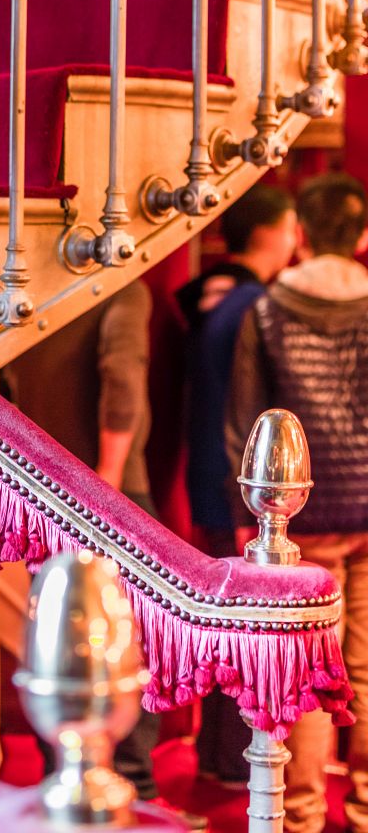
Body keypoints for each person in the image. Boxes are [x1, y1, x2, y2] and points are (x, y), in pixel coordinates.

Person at [6, 281, 208, 830]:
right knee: (128, 645)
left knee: (57, 638)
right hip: (113, 489)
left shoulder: (27, 289)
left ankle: (63, 779)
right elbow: (122, 380)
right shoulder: (120, 288)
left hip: (45, 486)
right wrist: (108, 487)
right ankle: (137, 792)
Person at [227, 172, 368, 833]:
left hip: (298, 514)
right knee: (366, 662)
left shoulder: (267, 309)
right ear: (362, 234)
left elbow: (247, 421)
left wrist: (243, 517)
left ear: (303, 235)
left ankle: (303, 817)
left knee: (312, 666)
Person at [177, 186, 298, 788]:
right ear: (271, 232)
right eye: (290, 225)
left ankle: (218, 754)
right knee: (247, 624)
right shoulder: (251, 302)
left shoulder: (220, 295)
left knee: (232, 620)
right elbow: (242, 412)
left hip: (211, 476)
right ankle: (229, 758)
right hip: (235, 487)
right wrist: (250, 500)